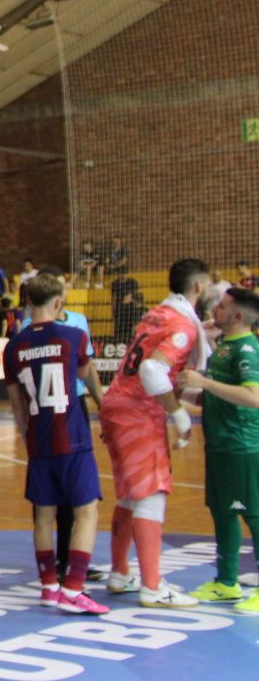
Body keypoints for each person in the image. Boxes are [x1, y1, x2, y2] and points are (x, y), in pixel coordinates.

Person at [98, 257, 212, 608]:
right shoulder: (183, 325)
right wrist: (177, 413)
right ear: (197, 287)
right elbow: (151, 369)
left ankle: (120, 572)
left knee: (129, 495)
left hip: (115, 404)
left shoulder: (157, 313)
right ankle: (151, 586)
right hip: (137, 412)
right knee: (151, 494)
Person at [4, 273, 110, 614]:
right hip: (73, 437)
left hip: (38, 439)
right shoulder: (74, 336)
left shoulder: (14, 347)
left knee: (43, 517)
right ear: (59, 303)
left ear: (28, 302)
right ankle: (75, 588)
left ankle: (49, 585)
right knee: (87, 512)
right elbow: (83, 375)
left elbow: (17, 403)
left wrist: (26, 435)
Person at [180, 287, 259, 609]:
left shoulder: (248, 350)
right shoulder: (225, 346)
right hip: (220, 445)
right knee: (224, 512)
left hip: (243, 446)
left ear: (238, 316)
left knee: (253, 516)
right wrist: (182, 400)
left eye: (223, 307)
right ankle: (227, 582)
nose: (216, 309)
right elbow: (218, 397)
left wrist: (206, 383)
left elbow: (254, 398)